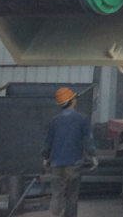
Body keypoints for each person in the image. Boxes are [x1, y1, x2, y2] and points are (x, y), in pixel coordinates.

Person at [42, 87, 98, 217]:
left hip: (57, 165)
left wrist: (45, 158)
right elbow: (87, 140)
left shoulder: (54, 121)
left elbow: (48, 142)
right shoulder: (82, 119)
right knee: (72, 197)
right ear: (71, 101)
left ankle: (55, 215)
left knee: (57, 195)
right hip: (74, 165)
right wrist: (93, 157)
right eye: (74, 98)